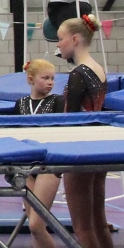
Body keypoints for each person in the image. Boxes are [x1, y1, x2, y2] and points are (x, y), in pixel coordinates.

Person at [59, 16, 111, 248]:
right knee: (99, 222)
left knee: (82, 226)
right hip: (98, 148)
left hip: (78, 150)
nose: (58, 45)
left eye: (60, 39)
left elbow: (71, 118)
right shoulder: (99, 69)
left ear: (75, 39)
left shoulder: (78, 74)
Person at [15, 59, 64, 248]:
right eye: (45, 78)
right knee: (33, 225)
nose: (50, 82)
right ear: (31, 79)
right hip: (25, 166)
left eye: (52, 78)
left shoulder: (58, 101)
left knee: (37, 225)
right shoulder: (20, 104)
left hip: (47, 165)